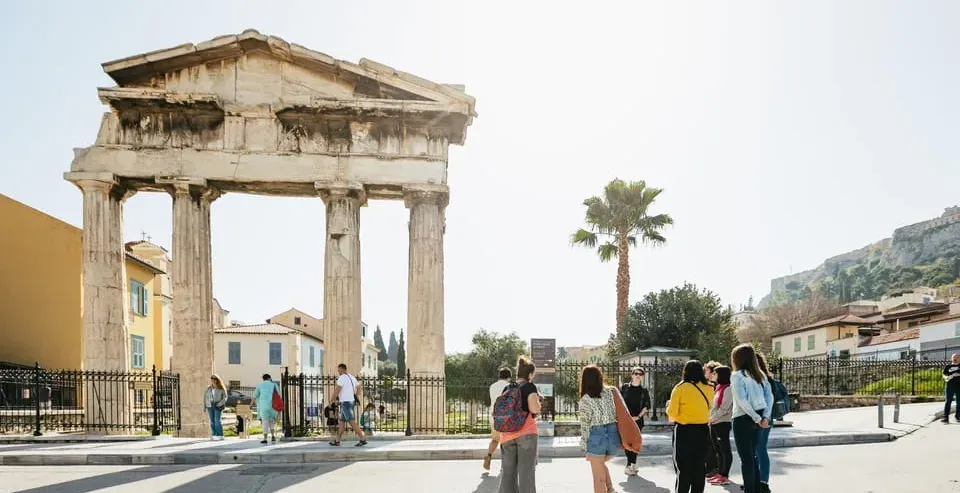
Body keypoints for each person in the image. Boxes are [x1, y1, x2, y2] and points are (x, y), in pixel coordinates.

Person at [730, 344, 774, 493]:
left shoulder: (737, 376)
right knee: (753, 456)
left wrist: (756, 418)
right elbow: (770, 397)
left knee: (746, 459)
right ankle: (756, 489)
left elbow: (741, 400)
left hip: (743, 419)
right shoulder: (760, 374)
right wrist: (765, 417)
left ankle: (750, 490)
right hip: (760, 415)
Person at [666, 360, 714, 493]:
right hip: (703, 430)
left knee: (684, 468)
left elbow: (672, 415)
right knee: (699, 467)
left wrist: (668, 406)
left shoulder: (680, 388)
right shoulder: (709, 388)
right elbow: (709, 408)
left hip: (684, 431)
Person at [498, 357, 540, 493]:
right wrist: (539, 404)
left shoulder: (508, 387)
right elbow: (534, 409)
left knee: (507, 475)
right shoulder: (529, 387)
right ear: (529, 374)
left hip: (507, 435)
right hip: (526, 433)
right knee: (526, 474)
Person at [579, 365, 621, 493]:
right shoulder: (611, 392)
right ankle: (610, 489)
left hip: (597, 438)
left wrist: (584, 446)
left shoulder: (585, 399)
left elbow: (585, 425)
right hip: (614, 437)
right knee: (600, 464)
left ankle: (608, 488)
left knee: (598, 479)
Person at [619, 367, 651, 476]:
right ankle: (632, 464)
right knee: (627, 442)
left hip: (638, 421)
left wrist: (637, 416)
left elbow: (647, 406)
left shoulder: (644, 391)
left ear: (642, 377)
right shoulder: (624, 388)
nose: (638, 375)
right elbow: (619, 403)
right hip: (625, 420)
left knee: (635, 442)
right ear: (632, 375)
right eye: (636, 373)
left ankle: (630, 465)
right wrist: (626, 416)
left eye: (640, 374)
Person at [707, 366, 733, 486]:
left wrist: (712, 418)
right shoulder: (718, 388)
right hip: (715, 423)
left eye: (715, 373)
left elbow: (724, 408)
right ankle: (720, 472)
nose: (713, 375)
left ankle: (725, 475)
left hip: (722, 423)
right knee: (718, 449)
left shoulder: (728, 389)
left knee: (724, 450)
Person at [329, 363, 367, 446]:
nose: (338, 372)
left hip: (345, 403)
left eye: (339, 370)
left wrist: (332, 400)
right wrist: (356, 395)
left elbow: (337, 390)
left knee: (352, 422)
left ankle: (362, 439)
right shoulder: (351, 377)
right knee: (342, 422)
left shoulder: (342, 378)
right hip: (350, 402)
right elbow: (359, 387)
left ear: (343, 369)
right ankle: (337, 441)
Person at [485, 367, 512, 471]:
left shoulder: (492, 386)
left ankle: (488, 456)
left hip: (494, 417)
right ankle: (504, 465)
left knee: (495, 440)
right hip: (505, 418)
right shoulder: (509, 386)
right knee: (506, 442)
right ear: (509, 377)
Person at [702, 361, 721, 478]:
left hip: (713, 418)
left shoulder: (713, 386)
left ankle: (713, 467)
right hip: (709, 418)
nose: (705, 372)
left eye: (706, 370)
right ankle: (711, 467)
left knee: (712, 444)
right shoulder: (711, 385)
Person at [253, 374, 280, 444]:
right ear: (269, 378)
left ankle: (265, 438)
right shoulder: (274, 385)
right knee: (272, 422)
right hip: (273, 406)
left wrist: (251, 404)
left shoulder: (260, 385)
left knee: (265, 422)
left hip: (263, 406)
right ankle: (273, 436)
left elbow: (255, 396)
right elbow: (279, 395)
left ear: (263, 379)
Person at [204, 375, 227, 441]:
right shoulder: (209, 388)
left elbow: (225, 398)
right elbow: (205, 397)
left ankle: (220, 435)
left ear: (218, 380)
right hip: (210, 405)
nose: (213, 380)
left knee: (217, 421)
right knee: (212, 421)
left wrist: (219, 404)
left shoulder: (221, 388)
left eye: (215, 378)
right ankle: (214, 434)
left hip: (217, 405)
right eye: (212, 378)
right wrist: (205, 406)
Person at [942, 353, 960, 423]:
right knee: (948, 401)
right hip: (950, 386)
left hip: (959, 386)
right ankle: (946, 417)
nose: (955, 358)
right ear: (951, 359)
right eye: (954, 357)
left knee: (959, 402)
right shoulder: (948, 366)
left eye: (957, 357)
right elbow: (944, 374)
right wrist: (947, 377)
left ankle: (958, 416)